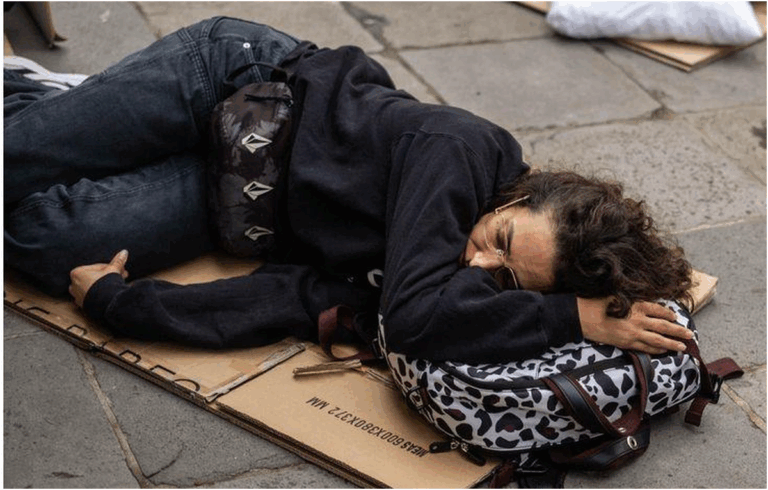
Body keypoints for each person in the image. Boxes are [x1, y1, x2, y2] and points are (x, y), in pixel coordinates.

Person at [4, 17, 694, 365]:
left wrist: (123, 304)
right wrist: (571, 321)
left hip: (238, 198)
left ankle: (54, 104)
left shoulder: (437, 280)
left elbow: (290, 298)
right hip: (231, 86)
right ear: (517, 198)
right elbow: (414, 321)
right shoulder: (457, 152)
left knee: (41, 244)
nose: (478, 261)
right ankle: (29, 89)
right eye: (501, 239)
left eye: (507, 279)